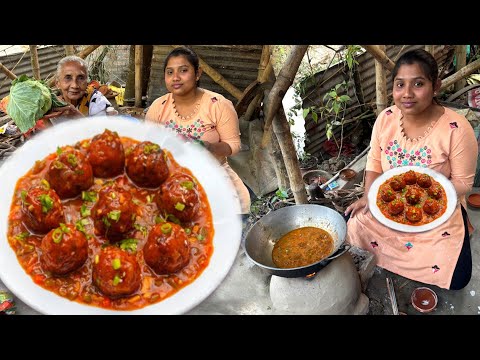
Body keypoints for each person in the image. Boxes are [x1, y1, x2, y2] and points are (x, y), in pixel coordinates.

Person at [345, 48, 478, 290]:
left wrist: (427, 193)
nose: (407, 94)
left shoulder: (457, 128)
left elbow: (463, 182)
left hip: (437, 209)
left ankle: (453, 235)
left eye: (418, 84)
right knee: (352, 223)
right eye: (399, 85)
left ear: (435, 86)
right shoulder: (385, 118)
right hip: (390, 204)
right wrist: (367, 196)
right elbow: (374, 162)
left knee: (458, 277)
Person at [145, 46, 251, 215]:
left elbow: (234, 145)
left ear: (198, 73)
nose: (176, 78)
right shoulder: (158, 107)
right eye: (170, 72)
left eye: (183, 70)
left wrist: (210, 148)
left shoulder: (218, 105)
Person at [51, 55, 117, 119]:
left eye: (80, 78)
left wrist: (77, 116)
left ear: (87, 82)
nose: (75, 85)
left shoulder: (96, 100)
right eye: (68, 78)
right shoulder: (52, 104)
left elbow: (102, 129)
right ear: (57, 83)